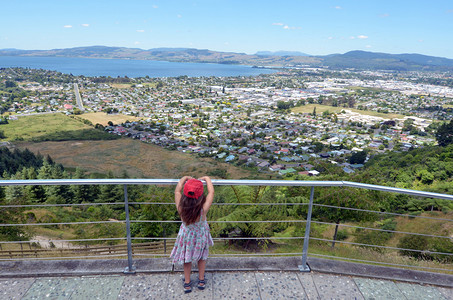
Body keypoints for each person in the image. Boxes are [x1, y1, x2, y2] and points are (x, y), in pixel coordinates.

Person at [170, 176, 214, 293]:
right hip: (200, 236)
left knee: (187, 258)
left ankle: (187, 283)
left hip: (187, 237)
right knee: (201, 258)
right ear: (200, 196)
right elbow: (211, 192)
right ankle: (201, 280)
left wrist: (185, 178)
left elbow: (176, 191)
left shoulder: (181, 208)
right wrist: (206, 178)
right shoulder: (203, 210)